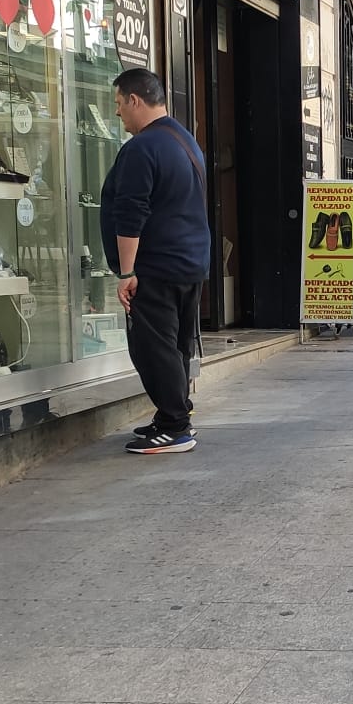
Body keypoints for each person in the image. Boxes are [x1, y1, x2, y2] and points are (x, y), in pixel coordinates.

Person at [102, 67, 211, 455]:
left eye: (118, 103)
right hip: (190, 262)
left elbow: (131, 212)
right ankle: (172, 415)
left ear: (135, 99)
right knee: (176, 344)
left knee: (152, 346)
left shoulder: (141, 148)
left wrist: (127, 271)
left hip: (157, 266)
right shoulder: (184, 139)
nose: (117, 113)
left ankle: (176, 426)